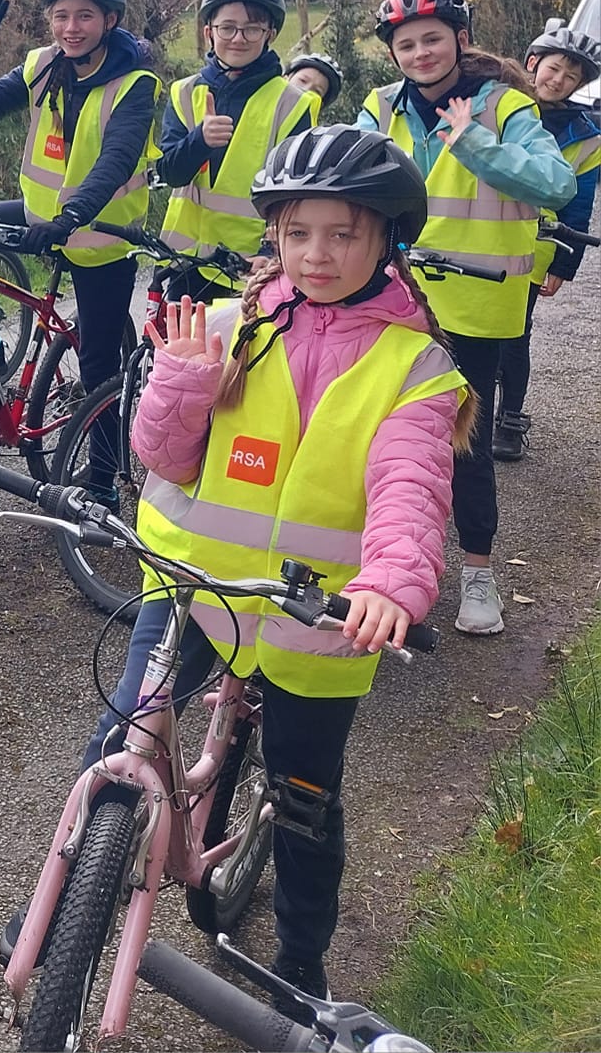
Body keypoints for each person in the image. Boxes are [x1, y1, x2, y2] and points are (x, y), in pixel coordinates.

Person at [103, 125, 468, 1005]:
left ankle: (300, 962)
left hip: (317, 622)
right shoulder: (233, 324)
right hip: (195, 587)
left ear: (388, 239)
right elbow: (163, 456)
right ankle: (77, 891)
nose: (318, 253)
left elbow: (410, 487)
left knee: (305, 798)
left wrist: (389, 584)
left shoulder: (413, 366)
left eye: (345, 233)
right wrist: (181, 382)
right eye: (298, 231)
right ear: (274, 233)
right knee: (120, 738)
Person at [354, 0, 573, 636]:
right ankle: (387, 573)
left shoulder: (504, 104)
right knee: (376, 439)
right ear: (393, 54)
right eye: (406, 44)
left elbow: (555, 184)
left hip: (475, 306)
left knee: (463, 448)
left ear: (460, 40)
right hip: (390, 302)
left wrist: (472, 141)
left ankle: (477, 572)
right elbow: (351, 174)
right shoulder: (379, 106)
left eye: (432, 39)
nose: (420, 52)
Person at [0, 0, 160, 492]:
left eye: (84, 16)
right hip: (38, 215)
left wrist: (71, 217)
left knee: (96, 366)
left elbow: (114, 162)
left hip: (101, 237)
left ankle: (104, 482)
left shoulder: (135, 85)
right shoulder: (44, 65)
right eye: (60, 16)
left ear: (110, 20)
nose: (71, 27)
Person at [156, 0, 318, 299]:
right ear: (209, 32)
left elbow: (296, 194)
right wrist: (199, 141)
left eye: (252, 29)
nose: (238, 38)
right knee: (177, 350)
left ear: (269, 34)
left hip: (250, 268)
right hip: (185, 263)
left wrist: (272, 252)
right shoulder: (184, 92)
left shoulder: (292, 103)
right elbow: (169, 173)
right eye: (227, 28)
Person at [491, 25, 601, 460]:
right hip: (483, 233)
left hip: (533, 249)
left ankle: (510, 420)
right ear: (533, 64)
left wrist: (562, 265)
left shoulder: (586, 133)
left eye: (569, 77)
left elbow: (580, 202)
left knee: (515, 337)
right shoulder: (498, 104)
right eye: (553, 69)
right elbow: (463, 69)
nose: (557, 81)